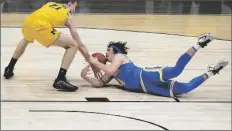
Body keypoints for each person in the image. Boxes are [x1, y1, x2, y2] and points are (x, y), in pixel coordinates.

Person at [82, 33, 229, 98]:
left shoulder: (120, 57)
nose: (106, 53)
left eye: (108, 50)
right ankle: (212, 71)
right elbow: (100, 83)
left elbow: (111, 69)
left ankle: (199, 43)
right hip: (147, 89)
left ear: (114, 50)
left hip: (145, 76)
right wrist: (85, 77)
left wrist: (94, 62)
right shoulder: (110, 71)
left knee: (176, 70)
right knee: (186, 89)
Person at [3, 0, 100, 92]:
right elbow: (80, 44)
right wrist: (92, 63)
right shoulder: (67, 14)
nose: (74, 11)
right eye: (75, 7)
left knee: (26, 39)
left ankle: (9, 68)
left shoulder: (50, 4)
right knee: (73, 45)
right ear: (71, 3)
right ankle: (60, 78)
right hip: (41, 26)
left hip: (28, 22)